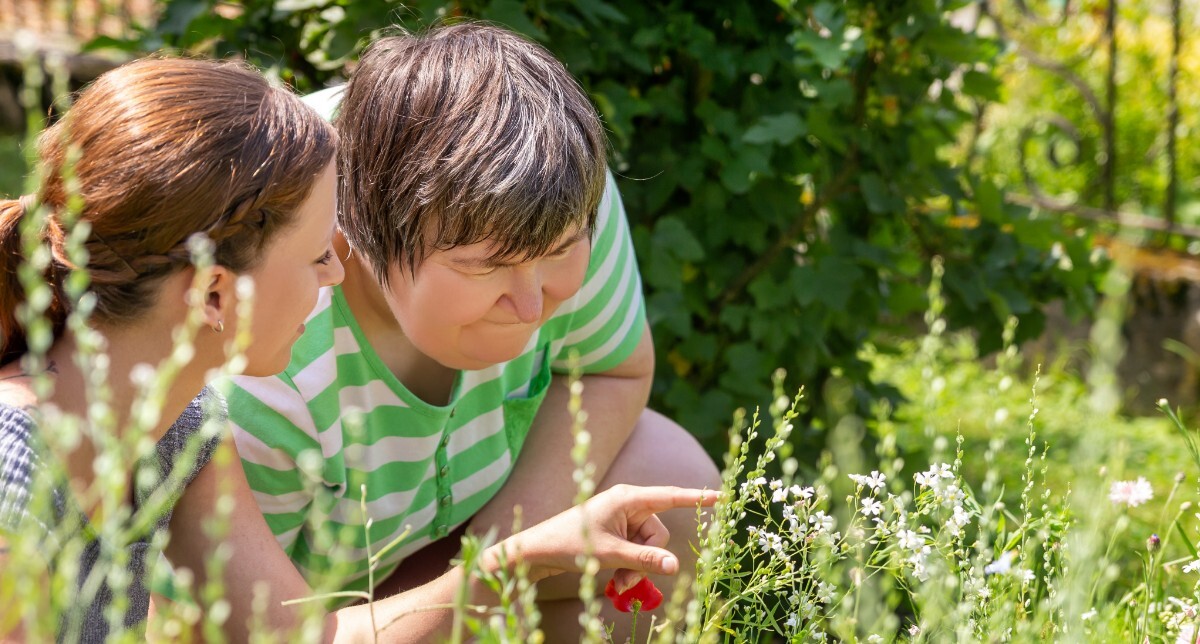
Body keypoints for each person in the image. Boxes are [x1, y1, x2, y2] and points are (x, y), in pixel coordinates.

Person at [0, 57, 718, 642]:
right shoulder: (16, 471)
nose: (339, 276)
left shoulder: (183, 426)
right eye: (319, 256)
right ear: (216, 294)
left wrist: (522, 557)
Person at [225, 22, 722, 637]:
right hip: (306, 613)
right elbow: (255, 631)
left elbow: (612, 368)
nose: (532, 304)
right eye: (487, 266)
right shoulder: (263, 347)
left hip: (467, 532)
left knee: (669, 472)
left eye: (562, 250)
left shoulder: (549, 181)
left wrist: (499, 560)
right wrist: (505, 573)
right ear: (356, 233)